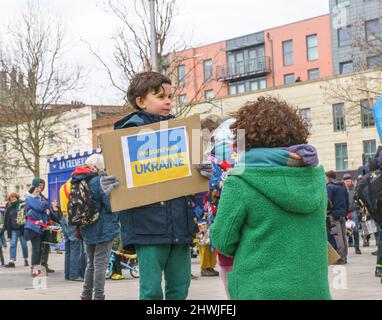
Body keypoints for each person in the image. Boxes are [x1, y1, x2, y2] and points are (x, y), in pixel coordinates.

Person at [101, 71, 211, 300]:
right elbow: (110, 176)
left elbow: (194, 177)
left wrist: (204, 172)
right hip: (147, 227)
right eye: (160, 96)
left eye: (170, 96)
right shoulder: (125, 133)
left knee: (180, 288)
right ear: (140, 101)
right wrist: (105, 183)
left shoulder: (183, 131)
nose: (169, 101)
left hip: (180, 225)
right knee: (151, 291)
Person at [210, 96, 331, 300]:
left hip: (259, 290)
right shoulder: (316, 179)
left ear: (245, 137)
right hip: (314, 291)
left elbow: (223, 241)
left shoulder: (240, 181)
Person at [77, 153, 120, 300]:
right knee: (100, 264)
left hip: (86, 228)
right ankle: (99, 296)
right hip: (103, 229)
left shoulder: (79, 180)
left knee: (91, 264)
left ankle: (86, 294)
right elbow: (109, 206)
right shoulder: (98, 181)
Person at [192, 115, 223, 277]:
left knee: (213, 235)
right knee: (203, 236)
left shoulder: (217, 152)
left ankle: (210, 265)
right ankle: (205, 266)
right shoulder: (199, 151)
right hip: (200, 203)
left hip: (213, 202)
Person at [60, 179, 87, 281]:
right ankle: (74, 275)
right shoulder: (74, 187)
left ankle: (68, 274)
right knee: (76, 247)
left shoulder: (63, 187)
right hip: (72, 218)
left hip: (64, 217)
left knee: (68, 249)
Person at [24, 182, 50, 277]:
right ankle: (34, 270)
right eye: (36, 189)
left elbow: (45, 207)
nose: (38, 190)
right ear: (32, 191)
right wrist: (44, 206)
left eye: (39, 189)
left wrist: (43, 207)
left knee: (39, 249)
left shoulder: (39, 199)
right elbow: (40, 207)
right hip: (32, 228)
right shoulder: (30, 199)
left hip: (39, 227)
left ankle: (37, 269)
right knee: (36, 249)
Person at [326, 170, 349, 264]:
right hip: (342, 215)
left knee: (337, 237)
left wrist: (327, 212)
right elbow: (347, 201)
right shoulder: (343, 186)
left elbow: (328, 202)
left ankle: (340, 258)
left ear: (328, 177)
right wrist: (345, 213)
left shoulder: (329, 187)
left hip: (333, 215)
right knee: (343, 236)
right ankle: (345, 257)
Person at [2, 193, 29, 268]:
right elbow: (6, 219)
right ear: (9, 198)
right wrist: (4, 229)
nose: (12, 198)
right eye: (11, 197)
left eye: (14, 197)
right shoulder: (9, 206)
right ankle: (12, 261)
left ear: (17, 197)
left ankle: (25, 259)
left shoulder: (22, 205)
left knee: (24, 245)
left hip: (21, 229)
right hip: (13, 229)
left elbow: (26, 214)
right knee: (13, 245)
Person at [343, 173, 362, 255]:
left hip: (353, 211)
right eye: (346, 181)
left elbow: (358, 199)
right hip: (345, 212)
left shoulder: (354, 189)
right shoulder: (342, 189)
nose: (347, 183)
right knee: (346, 230)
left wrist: (358, 207)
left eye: (349, 181)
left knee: (356, 229)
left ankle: (357, 248)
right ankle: (348, 245)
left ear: (351, 181)